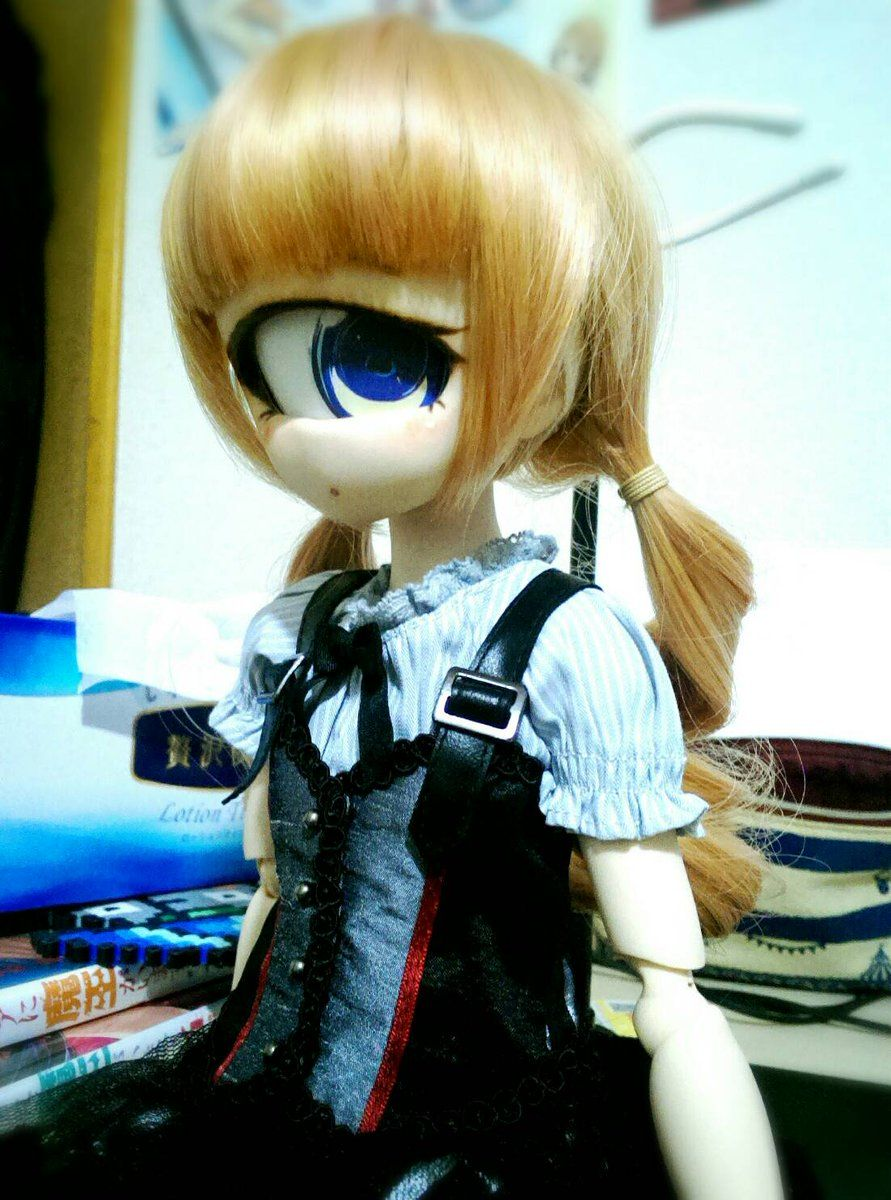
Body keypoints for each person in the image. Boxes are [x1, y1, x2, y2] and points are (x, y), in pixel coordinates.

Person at [4, 15, 787, 1196]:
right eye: (263, 365)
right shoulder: (294, 633)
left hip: (478, 1139)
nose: (302, 429)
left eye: (376, 355)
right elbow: (280, 894)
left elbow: (671, 993)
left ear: (555, 359)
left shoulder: (566, 645)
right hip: (255, 1115)